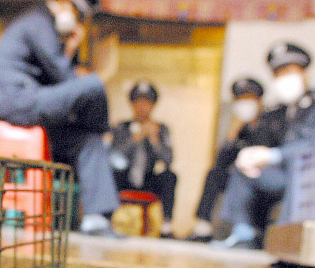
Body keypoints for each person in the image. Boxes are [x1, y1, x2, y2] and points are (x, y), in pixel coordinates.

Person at [0, 0, 124, 238]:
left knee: (86, 140)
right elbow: (65, 77)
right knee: (93, 85)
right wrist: (72, 45)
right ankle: (105, 136)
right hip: (18, 102)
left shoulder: (43, 26)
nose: (78, 19)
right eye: (77, 12)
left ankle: (96, 218)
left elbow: (57, 81)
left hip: (33, 104)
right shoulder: (38, 22)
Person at [217, 42, 315, 249]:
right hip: (282, 175)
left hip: (307, 175)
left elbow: (310, 144)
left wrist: (274, 155)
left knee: (299, 167)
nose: (282, 78)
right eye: (277, 73)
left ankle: (288, 242)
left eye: (288, 70)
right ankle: (245, 234)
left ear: (303, 71)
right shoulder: (279, 112)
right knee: (243, 170)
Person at [186, 78, 286, 242]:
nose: (244, 104)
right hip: (240, 176)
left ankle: (245, 231)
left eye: (248, 99)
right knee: (215, 174)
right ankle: (204, 227)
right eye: (240, 100)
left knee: (242, 174)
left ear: (258, 100)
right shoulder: (240, 128)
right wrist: (231, 136)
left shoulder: (273, 122)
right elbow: (221, 163)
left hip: (268, 174)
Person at [109, 81, 177, 238]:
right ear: (132, 104)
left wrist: (154, 140)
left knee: (170, 176)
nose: (142, 106)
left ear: (153, 105)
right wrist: (134, 140)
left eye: (147, 102)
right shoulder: (121, 127)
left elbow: (168, 161)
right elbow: (114, 160)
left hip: (148, 179)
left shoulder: (161, 129)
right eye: (138, 102)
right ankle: (105, 217)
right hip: (124, 177)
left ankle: (166, 226)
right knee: (109, 173)